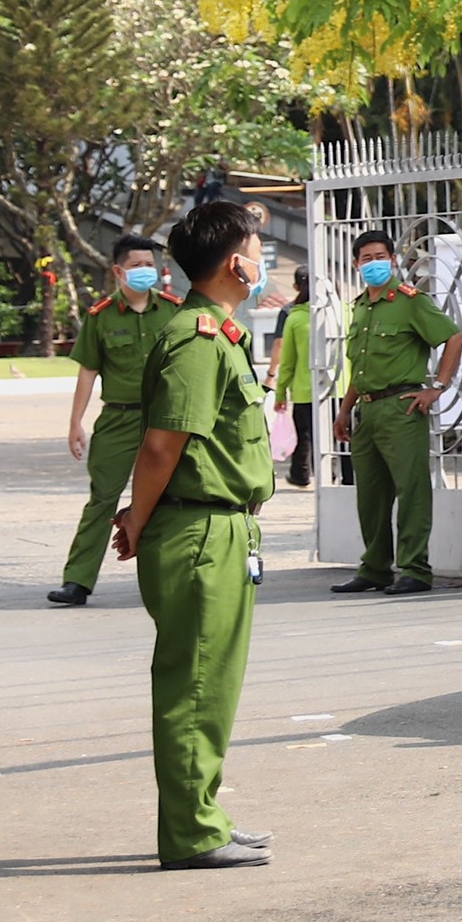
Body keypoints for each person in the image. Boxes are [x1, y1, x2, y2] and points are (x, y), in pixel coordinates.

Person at [113, 200, 275, 869]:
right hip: (199, 530)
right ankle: (191, 833)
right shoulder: (199, 339)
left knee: (212, 686)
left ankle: (203, 814)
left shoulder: (217, 334)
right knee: (196, 685)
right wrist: (137, 517)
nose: (262, 262)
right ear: (236, 264)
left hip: (217, 526)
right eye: (258, 251)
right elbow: (162, 445)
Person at [46, 237, 182, 606]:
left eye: (149, 264)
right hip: (118, 420)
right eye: (137, 265)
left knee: (172, 497)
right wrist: (75, 423)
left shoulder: (173, 310)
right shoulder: (100, 316)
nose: (145, 271)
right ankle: (77, 580)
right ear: (119, 271)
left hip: (164, 420)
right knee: (102, 499)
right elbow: (88, 372)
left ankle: (171, 576)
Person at [327, 232, 462, 596]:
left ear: (393, 259)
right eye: (366, 258)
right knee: (370, 496)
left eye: (380, 256)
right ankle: (374, 568)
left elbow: (453, 337)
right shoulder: (360, 307)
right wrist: (344, 410)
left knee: (411, 490)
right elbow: (360, 367)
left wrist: (438, 387)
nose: (374, 263)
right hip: (366, 409)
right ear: (356, 264)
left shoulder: (410, 301)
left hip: (401, 406)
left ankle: (415, 569)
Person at [265, 268, 315, 489]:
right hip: (338, 387)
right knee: (339, 434)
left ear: (296, 287)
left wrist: (277, 385)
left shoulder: (292, 314)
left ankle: (301, 474)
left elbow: (282, 350)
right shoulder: (340, 311)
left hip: (305, 388)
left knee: (304, 433)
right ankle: (343, 477)